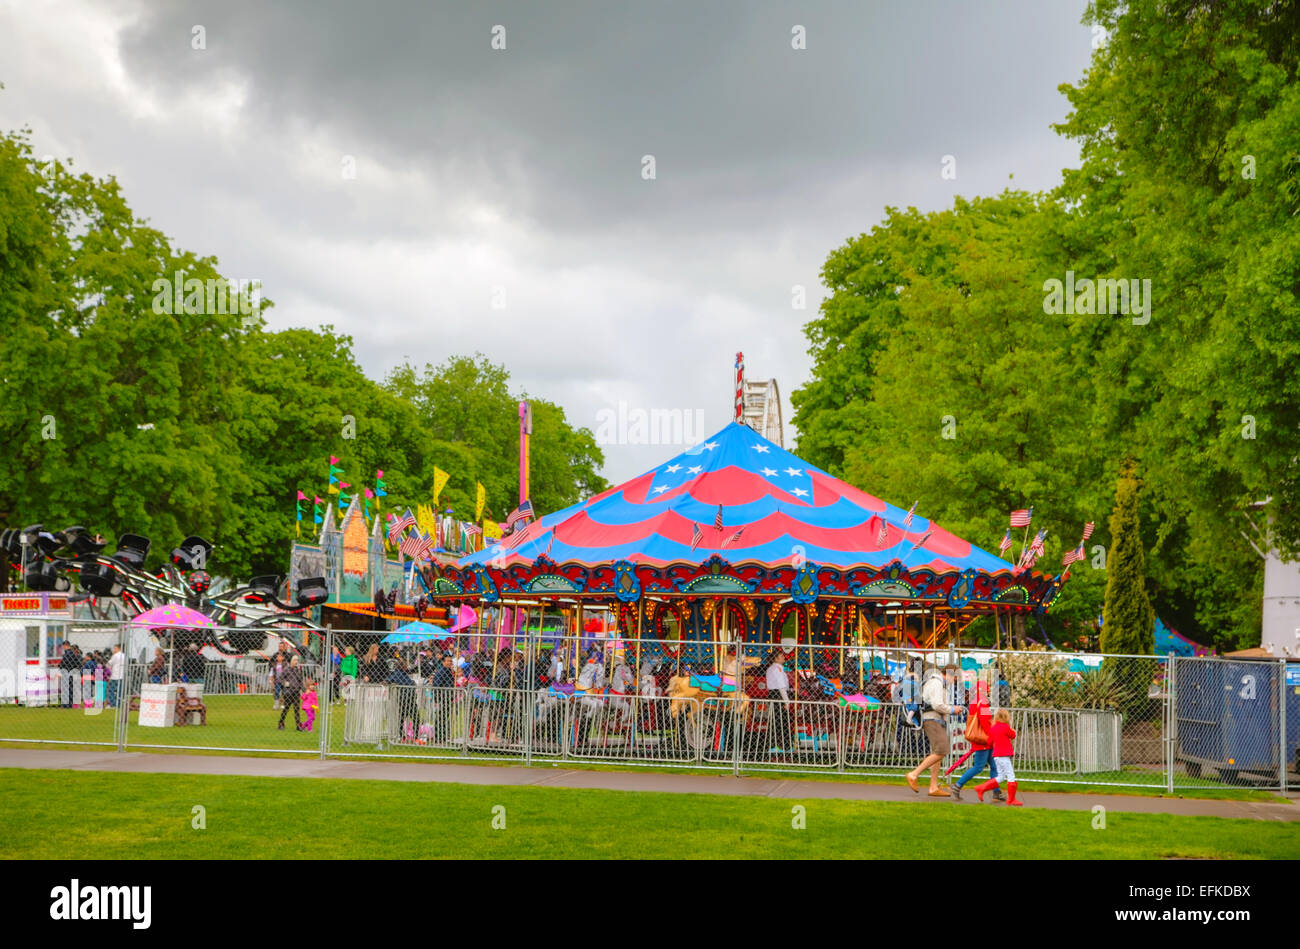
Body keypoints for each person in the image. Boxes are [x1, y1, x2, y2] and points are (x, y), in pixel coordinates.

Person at [904, 663, 961, 797]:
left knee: (937, 753)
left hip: (935, 719)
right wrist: (952, 709)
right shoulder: (937, 683)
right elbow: (937, 704)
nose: (954, 682)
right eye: (955, 678)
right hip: (932, 719)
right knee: (942, 750)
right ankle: (914, 774)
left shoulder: (938, 683)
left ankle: (933, 787)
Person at [950, 679, 1002, 801]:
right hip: (984, 739)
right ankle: (957, 785)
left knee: (994, 766)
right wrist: (993, 735)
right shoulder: (982, 702)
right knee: (979, 767)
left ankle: (996, 792)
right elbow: (984, 721)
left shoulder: (975, 701)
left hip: (982, 738)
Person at [976, 708, 1022, 805]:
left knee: (1001, 776)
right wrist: (1013, 730)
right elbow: (1013, 735)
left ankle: (982, 788)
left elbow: (989, 741)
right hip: (1004, 755)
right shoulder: (1005, 727)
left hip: (996, 756)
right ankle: (1011, 799)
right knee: (1011, 775)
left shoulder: (993, 728)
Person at [765, 647, 793, 753]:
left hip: (773, 694)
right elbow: (781, 686)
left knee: (776, 721)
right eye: (781, 656)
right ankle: (785, 745)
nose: (783, 657)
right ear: (776, 658)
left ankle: (777, 745)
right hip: (778, 694)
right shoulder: (778, 669)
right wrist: (786, 700)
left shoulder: (772, 668)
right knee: (782, 721)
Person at [278, 655, 304, 730]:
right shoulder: (286, 670)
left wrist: (304, 690)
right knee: (286, 708)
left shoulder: (298, 670)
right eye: (295, 660)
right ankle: (281, 722)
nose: (296, 662)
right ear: (291, 661)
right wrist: (285, 683)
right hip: (288, 693)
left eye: (297, 660)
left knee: (297, 709)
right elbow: (280, 679)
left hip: (296, 692)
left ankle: (298, 725)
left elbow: (300, 681)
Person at [107, 645, 125, 709]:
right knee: (120, 691)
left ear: (117, 648)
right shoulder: (124, 655)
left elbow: (110, 663)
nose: (113, 650)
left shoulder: (115, 655)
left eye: (114, 648)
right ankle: (119, 704)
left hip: (115, 675)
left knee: (111, 690)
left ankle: (113, 704)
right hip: (121, 675)